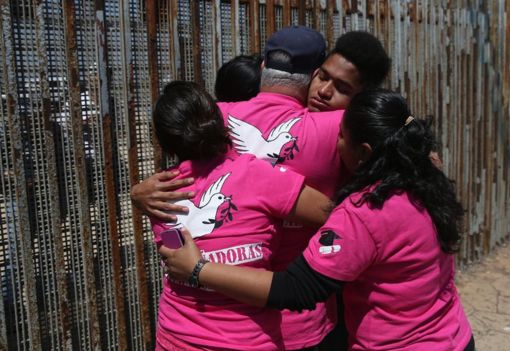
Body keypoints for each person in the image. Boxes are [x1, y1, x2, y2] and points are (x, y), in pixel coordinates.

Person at [159, 89, 475, 351]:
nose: (335, 146)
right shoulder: (426, 180)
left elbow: (296, 288)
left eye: (339, 137)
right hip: (453, 335)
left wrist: (199, 269)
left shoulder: (363, 216)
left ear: (364, 152)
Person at [133, 26, 346, 350]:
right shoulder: (329, 129)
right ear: (316, 75)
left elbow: (177, 250)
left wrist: (136, 193)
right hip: (274, 326)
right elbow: (334, 215)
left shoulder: (163, 191)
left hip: (176, 335)